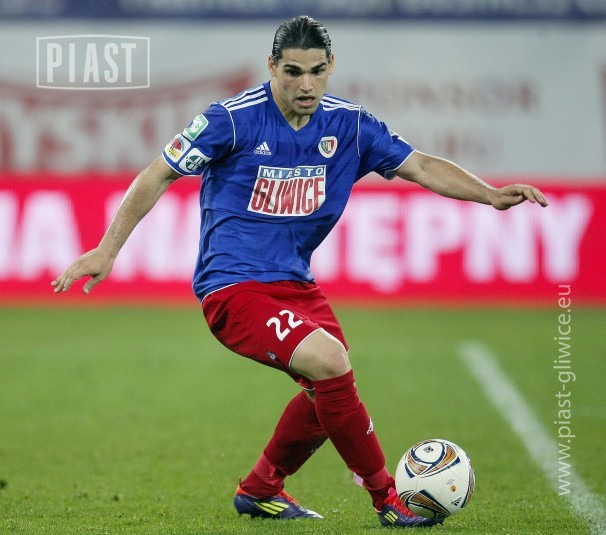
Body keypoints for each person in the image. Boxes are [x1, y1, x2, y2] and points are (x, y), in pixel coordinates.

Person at [52, 15, 548, 528]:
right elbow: (158, 173)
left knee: (328, 389)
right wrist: (107, 249)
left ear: (331, 66)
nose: (305, 84)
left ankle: (260, 488)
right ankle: (387, 498)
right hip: (233, 286)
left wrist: (490, 194)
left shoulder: (350, 126)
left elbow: (420, 165)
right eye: (292, 71)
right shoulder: (232, 120)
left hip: (296, 285)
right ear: (272, 66)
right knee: (330, 362)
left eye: (316, 71)